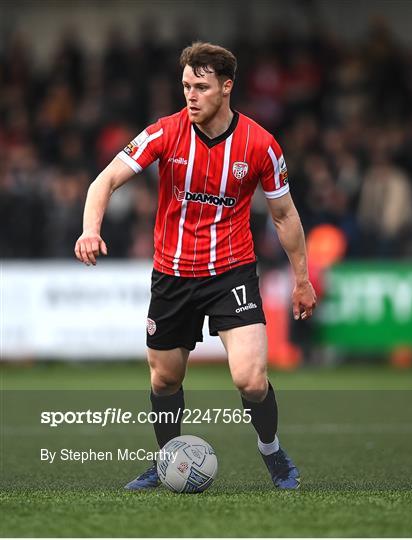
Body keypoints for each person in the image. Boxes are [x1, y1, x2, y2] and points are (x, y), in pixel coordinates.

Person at [75, 42, 317, 490]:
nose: (191, 95)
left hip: (232, 272)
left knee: (251, 379)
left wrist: (301, 280)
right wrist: (91, 229)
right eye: (186, 85)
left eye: (201, 87)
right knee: (165, 378)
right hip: (172, 273)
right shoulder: (165, 133)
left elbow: (285, 215)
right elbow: (104, 180)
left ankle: (274, 456)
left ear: (226, 88)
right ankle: (167, 460)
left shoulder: (261, 145)